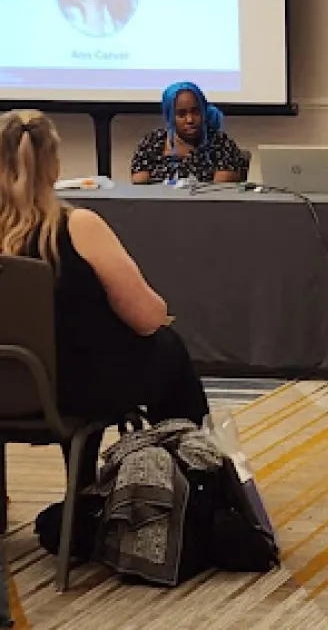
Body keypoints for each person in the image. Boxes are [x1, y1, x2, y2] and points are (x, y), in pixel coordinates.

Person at [0, 110, 209, 485]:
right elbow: (146, 318)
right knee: (168, 347)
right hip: (74, 390)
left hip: (10, 384)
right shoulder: (78, 226)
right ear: (54, 165)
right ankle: (190, 481)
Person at [130, 82, 244, 184]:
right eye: (181, 114)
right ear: (170, 117)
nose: (190, 120)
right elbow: (139, 182)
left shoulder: (220, 143)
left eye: (195, 112)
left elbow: (220, 190)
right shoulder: (153, 142)